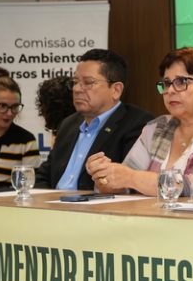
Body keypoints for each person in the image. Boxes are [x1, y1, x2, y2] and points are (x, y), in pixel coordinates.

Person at [84, 47, 193, 197]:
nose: (170, 90)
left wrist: (131, 178)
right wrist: (105, 176)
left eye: (181, 81)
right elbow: (125, 185)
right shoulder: (158, 127)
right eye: (166, 83)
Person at [35, 49, 153, 190]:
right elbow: (43, 176)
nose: (77, 89)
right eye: (75, 82)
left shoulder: (138, 124)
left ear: (116, 90)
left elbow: (129, 187)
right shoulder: (68, 124)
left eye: (88, 82)